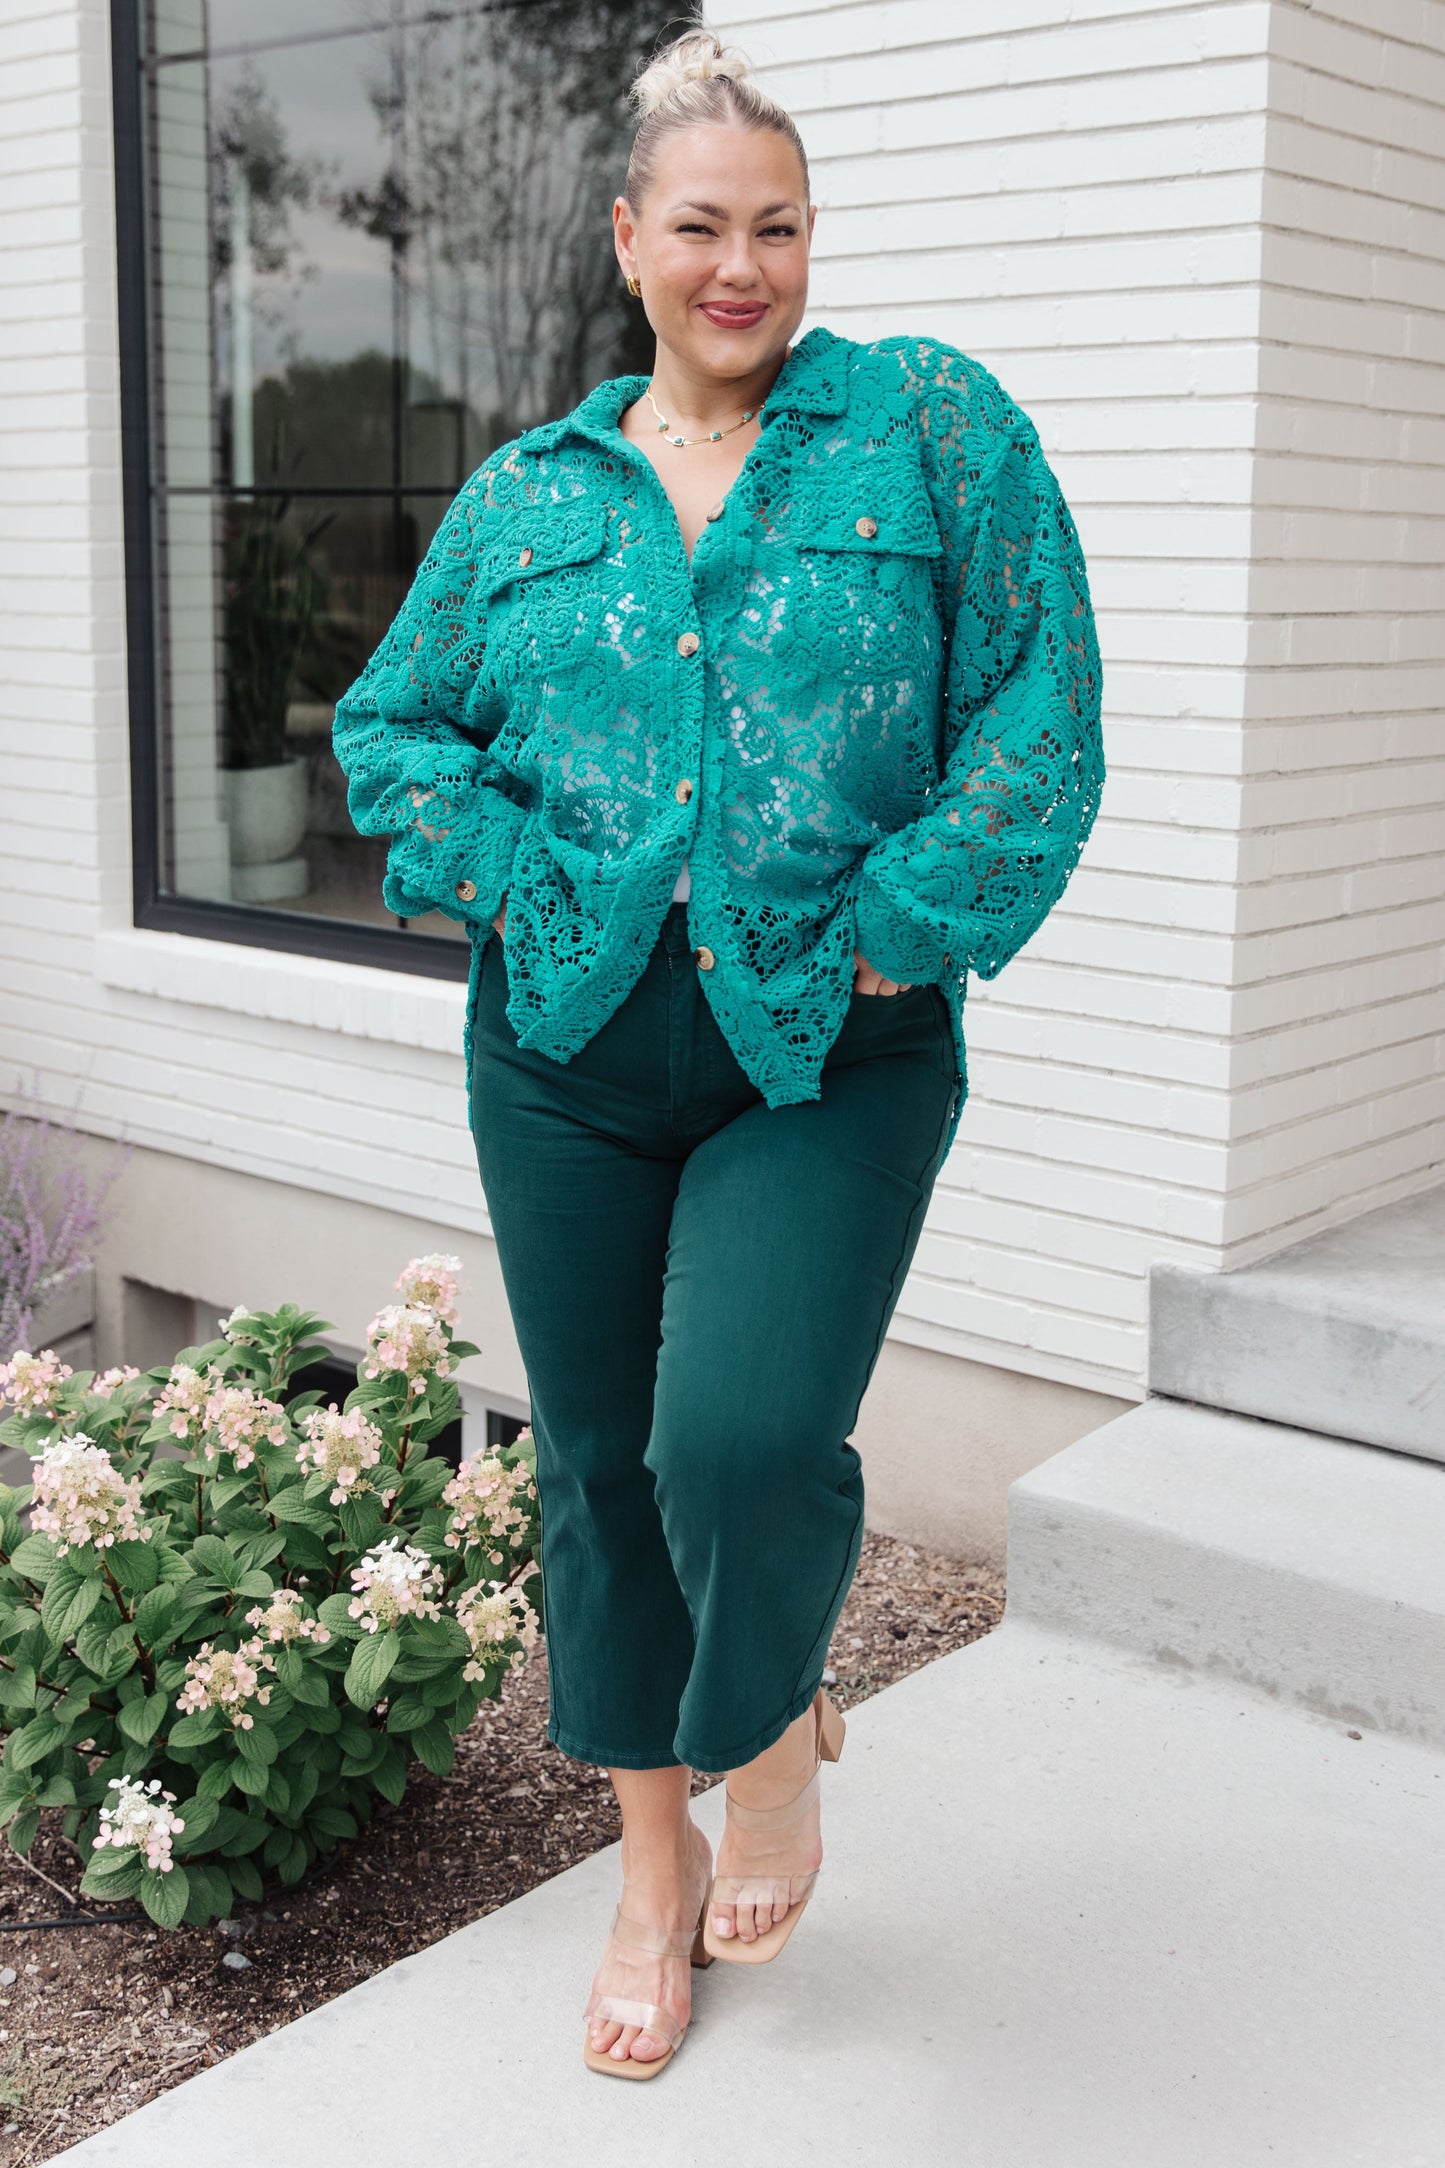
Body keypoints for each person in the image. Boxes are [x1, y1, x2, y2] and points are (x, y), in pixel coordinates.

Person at [331, 24, 1104, 2080]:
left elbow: (1039, 701)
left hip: (823, 1052)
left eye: (779, 225)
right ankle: (650, 1871)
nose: (742, 264)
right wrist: (517, 873)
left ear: (810, 238)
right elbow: (391, 730)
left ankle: (766, 1740)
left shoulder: (927, 429)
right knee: (595, 1468)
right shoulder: (527, 500)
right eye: (701, 226)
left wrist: (897, 927)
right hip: (569, 1047)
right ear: (629, 239)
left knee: (734, 1446)